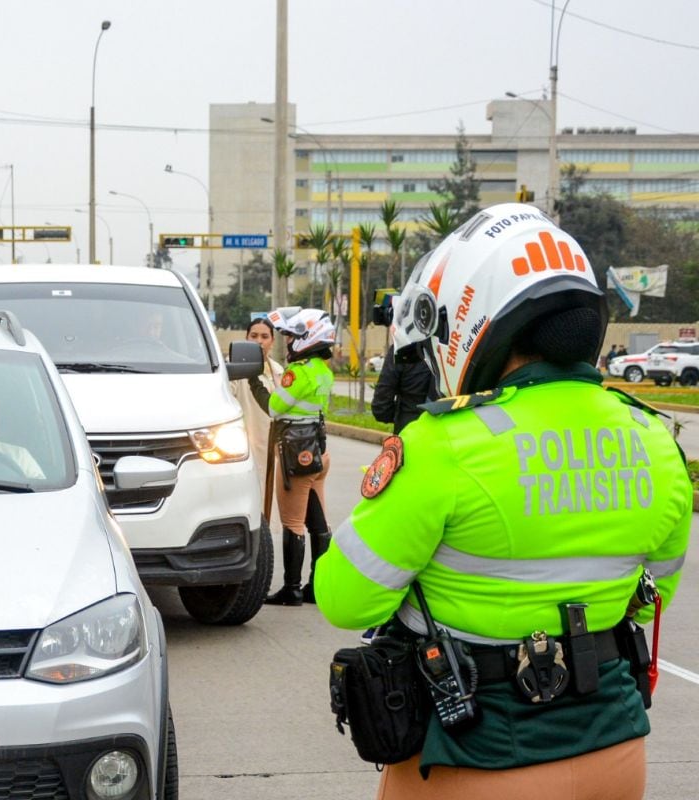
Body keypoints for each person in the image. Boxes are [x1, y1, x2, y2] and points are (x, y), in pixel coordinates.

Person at [316, 203, 691, 798]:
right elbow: (651, 599)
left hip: (479, 754)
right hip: (615, 752)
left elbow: (343, 598)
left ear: (476, 316)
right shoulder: (653, 438)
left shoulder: (444, 443)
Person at [245, 306, 336, 606]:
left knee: (293, 522)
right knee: (318, 522)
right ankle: (317, 585)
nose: (288, 342)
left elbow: (273, 407)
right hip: (318, 447)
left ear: (307, 339)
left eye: (293, 336)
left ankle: (292, 588)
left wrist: (253, 381)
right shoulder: (323, 371)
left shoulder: (298, 372)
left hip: (296, 451)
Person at [231, 317, 285, 500]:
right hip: (245, 444)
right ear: (246, 338)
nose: (259, 341)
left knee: (271, 496)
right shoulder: (235, 370)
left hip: (273, 446)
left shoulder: (279, 371)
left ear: (272, 341)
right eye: (254, 336)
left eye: (264, 336)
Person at [370, 343, 437, 434]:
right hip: (452, 438)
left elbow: (381, 407)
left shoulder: (402, 347)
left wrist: (403, 415)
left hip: (409, 432)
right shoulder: (457, 347)